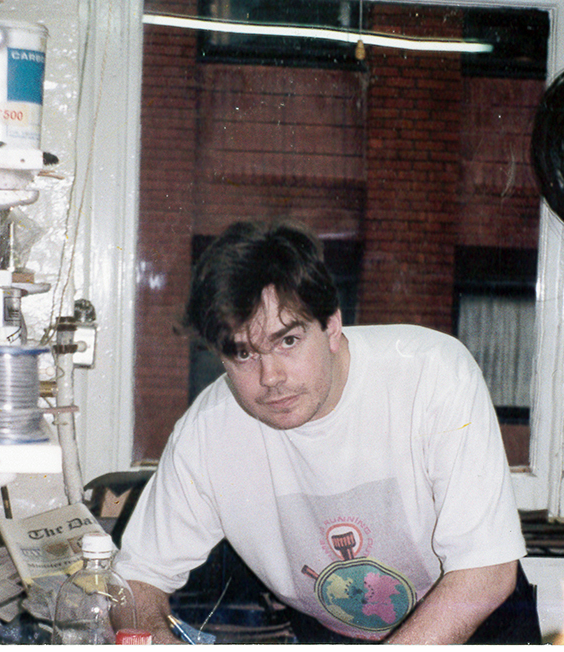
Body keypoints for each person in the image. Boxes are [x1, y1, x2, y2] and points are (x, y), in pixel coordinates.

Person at [115, 219, 541, 644]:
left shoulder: (432, 374)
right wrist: (157, 640)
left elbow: (486, 571)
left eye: (288, 341)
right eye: (243, 354)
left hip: (474, 622)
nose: (270, 377)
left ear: (332, 325)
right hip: (332, 635)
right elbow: (134, 579)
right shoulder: (208, 433)